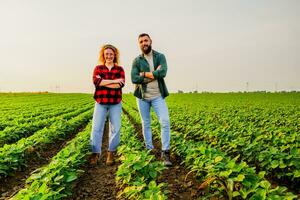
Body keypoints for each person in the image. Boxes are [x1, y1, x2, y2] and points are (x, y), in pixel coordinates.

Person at [131, 33, 172, 166]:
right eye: (141, 41)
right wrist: (154, 75)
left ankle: (165, 152)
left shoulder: (160, 57)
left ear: (151, 41)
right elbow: (134, 78)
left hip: (158, 96)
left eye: (146, 40)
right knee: (145, 123)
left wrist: (143, 74)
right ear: (139, 44)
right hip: (142, 96)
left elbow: (163, 72)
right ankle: (149, 149)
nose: (144, 43)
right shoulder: (137, 60)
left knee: (165, 121)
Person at [90, 44, 125, 165]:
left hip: (115, 102)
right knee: (96, 128)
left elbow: (119, 85)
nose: (109, 56)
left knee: (116, 128)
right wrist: (114, 81)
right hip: (100, 102)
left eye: (111, 54)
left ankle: (111, 153)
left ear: (115, 55)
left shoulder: (119, 69)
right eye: (107, 54)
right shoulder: (98, 68)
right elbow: (97, 82)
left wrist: (105, 82)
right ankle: (95, 153)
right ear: (103, 55)